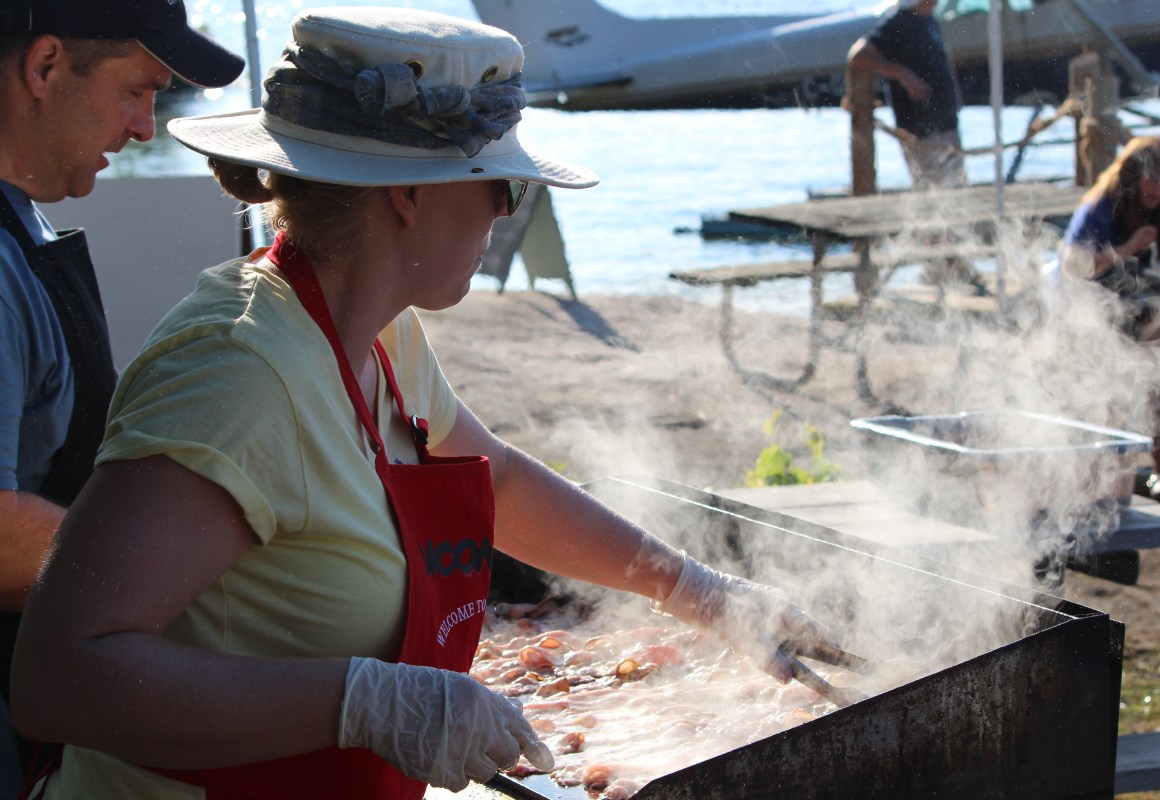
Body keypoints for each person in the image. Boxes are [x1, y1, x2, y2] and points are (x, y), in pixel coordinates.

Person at [10, 9, 860, 799]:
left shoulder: (376, 332)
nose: (506, 212)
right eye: (503, 187)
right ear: (406, 195)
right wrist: (364, 702)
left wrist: (703, 593)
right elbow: (60, 677)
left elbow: (498, 482)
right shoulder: (234, 375)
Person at [0, 0, 243, 791]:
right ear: (43, 67)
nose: (145, 127)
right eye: (137, 91)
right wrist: (220, 577)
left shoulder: (19, 229)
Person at [1060, 136, 1160, 503]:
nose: (1157, 187)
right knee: (1105, 391)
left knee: (1158, 373)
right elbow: (1072, 266)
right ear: (1133, 177)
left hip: (1137, 302)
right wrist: (1126, 248)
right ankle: (1098, 475)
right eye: (1150, 178)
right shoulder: (1099, 208)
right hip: (1088, 307)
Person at [847, 0, 965, 191]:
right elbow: (858, 55)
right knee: (930, 186)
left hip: (945, 119)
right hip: (919, 123)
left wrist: (955, 91)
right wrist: (903, 74)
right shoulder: (897, 23)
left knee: (956, 183)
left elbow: (943, 56)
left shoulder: (928, 20)